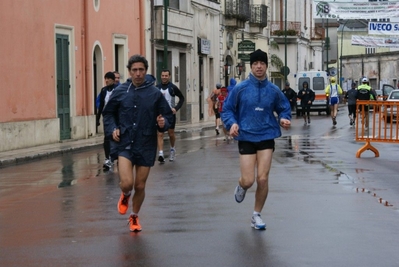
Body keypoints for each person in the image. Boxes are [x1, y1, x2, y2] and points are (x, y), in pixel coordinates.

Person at [102, 55, 173, 232]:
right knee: (127, 183)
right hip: (125, 141)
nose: (138, 73)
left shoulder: (154, 93)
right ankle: (125, 194)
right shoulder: (121, 91)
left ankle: (134, 216)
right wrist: (113, 129)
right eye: (135, 70)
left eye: (141, 70)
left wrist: (163, 123)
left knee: (140, 185)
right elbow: (108, 113)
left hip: (146, 143)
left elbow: (168, 116)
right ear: (129, 72)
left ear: (146, 71)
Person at [221, 49, 291, 230]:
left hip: (267, 135)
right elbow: (227, 109)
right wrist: (232, 124)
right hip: (246, 136)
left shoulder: (274, 90)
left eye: (262, 63)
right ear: (251, 66)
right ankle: (241, 186)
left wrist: (284, 118)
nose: (259, 66)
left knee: (262, 179)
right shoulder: (240, 88)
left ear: (266, 66)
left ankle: (256, 215)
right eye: (255, 64)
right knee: (249, 180)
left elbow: (284, 107)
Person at [156, 69, 185, 163]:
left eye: (166, 76)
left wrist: (176, 108)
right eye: (163, 75)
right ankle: (161, 154)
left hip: (170, 114)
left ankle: (172, 149)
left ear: (169, 76)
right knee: (160, 133)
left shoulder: (173, 87)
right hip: (161, 114)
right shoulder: (157, 87)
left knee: (171, 133)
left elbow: (182, 98)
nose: (164, 77)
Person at [96, 71, 116, 170]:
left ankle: (115, 157)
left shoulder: (117, 89)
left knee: (115, 137)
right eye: (106, 79)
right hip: (107, 117)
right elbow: (101, 105)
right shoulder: (103, 90)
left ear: (113, 80)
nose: (106, 80)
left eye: (108, 79)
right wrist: (98, 118)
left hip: (116, 116)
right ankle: (108, 158)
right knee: (107, 138)